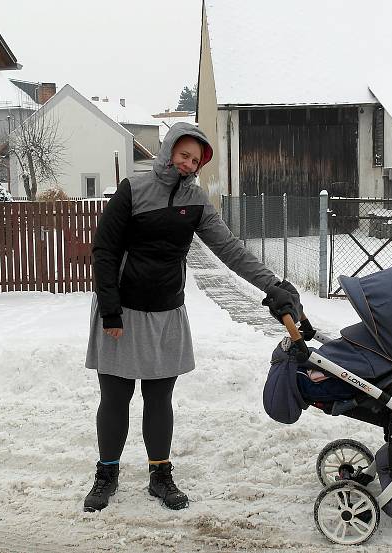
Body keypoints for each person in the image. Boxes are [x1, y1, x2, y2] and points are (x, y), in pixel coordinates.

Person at [83, 122, 302, 512]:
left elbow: (230, 250)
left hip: (166, 312)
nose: (188, 164)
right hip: (123, 313)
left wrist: (273, 285)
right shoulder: (133, 190)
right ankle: (107, 474)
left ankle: (159, 475)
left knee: (159, 399)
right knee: (115, 398)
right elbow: (104, 251)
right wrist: (110, 310)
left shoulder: (196, 200)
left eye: (195, 159)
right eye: (183, 155)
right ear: (167, 151)